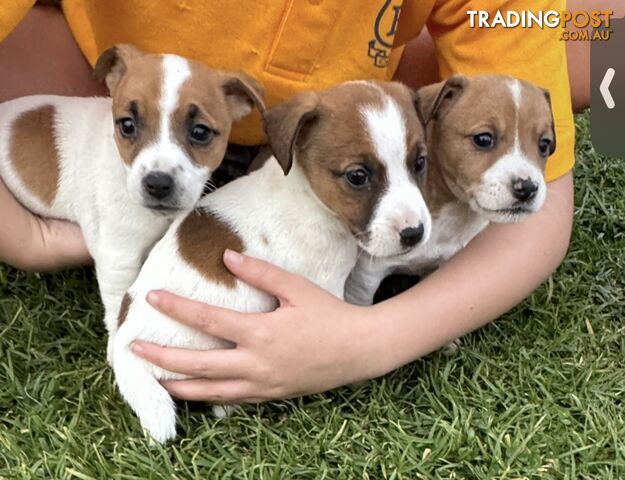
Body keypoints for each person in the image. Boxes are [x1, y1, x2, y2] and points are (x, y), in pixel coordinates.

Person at [0, 1, 620, 404]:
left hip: (354, 97)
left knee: (595, 37)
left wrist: (373, 339)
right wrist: (24, 235)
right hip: (97, 74)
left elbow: (545, 216)